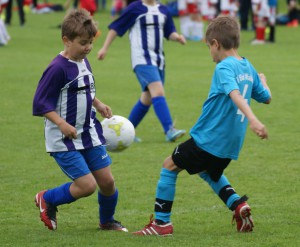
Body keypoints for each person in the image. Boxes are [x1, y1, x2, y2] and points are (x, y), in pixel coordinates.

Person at [133, 15, 272, 236]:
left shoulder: (224, 68)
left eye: (209, 47)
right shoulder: (247, 66)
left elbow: (234, 94)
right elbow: (266, 97)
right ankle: (238, 205)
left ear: (216, 44)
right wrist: (262, 81)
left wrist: (254, 120)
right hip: (229, 146)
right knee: (208, 171)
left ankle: (161, 224)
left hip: (208, 139)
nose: (210, 52)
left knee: (169, 166)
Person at [32, 9, 127, 232]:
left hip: (88, 132)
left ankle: (106, 221)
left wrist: (98, 104)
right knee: (86, 185)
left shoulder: (82, 60)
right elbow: (40, 103)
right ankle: (48, 198)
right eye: (83, 43)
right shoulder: (57, 68)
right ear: (66, 40)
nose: (88, 48)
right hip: (64, 138)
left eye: (91, 42)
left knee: (107, 182)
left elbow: (83, 90)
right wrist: (62, 123)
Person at [97, 0, 186, 142]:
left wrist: (178, 37)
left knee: (147, 98)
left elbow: (169, 32)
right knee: (158, 91)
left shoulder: (163, 10)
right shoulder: (135, 8)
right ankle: (169, 130)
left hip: (159, 60)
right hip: (142, 59)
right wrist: (104, 48)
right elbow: (116, 28)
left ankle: (125, 132)